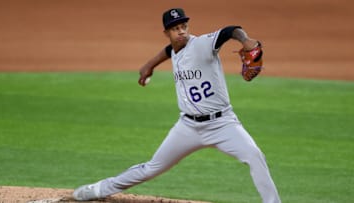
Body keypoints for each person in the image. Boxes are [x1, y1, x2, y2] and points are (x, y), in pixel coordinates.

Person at [73, 8, 281, 203]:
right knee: (151, 168)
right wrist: (149, 66)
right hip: (188, 127)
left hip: (223, 124)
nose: (181, 32)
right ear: (167, 32)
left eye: (183, 26)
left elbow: (229, 30)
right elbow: (169, 51)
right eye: (175, 28)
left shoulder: (201, 44)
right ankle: (100, 189)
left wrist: (246, 40)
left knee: (255, 156)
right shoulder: (175, 49)